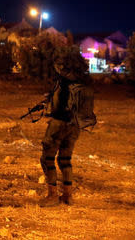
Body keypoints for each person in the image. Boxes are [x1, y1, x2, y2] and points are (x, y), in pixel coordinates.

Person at [39, 50, 95, 207]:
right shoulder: (84, 82)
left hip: (59, 124)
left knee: (47, 158)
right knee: (65, 159)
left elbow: (59, 106)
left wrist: (49, 108)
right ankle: (68, 196)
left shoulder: (63, 81)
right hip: (75, 126)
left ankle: (52, 196)